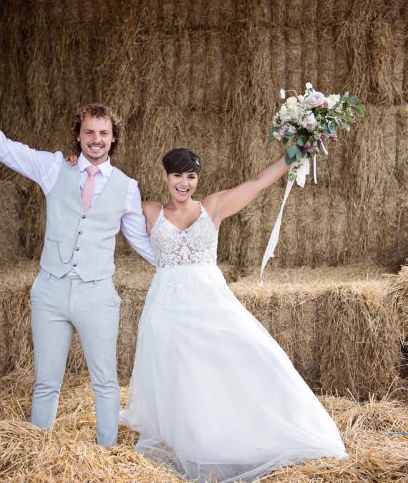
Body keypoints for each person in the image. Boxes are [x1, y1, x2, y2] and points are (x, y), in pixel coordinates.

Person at [120, 148, 348, 482]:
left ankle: (264, 424)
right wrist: (78, 166)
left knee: (256, 354)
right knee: (180, 374)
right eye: (177, 176)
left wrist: (293, 153)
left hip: (210, 301)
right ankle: (194, 438)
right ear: (164, 177)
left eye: (191, 176)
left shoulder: (212, 207)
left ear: (198, 179)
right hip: (167, 307)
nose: (184, 183)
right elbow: (103, 201)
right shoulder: (148, 210)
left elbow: (257, 182)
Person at [0, 73, 156, 447]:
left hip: (97, 295)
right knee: (46, 381)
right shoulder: (51, 167)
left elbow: (140, 241)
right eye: (89, 132)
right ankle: (37, 451)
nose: (97, 140)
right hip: (49, 291)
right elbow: (2, 147)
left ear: (114, 138)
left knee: (106, 382)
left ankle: (107, 454)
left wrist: (179, 266)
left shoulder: (127, 187)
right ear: (78, 135)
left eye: (103, 134)